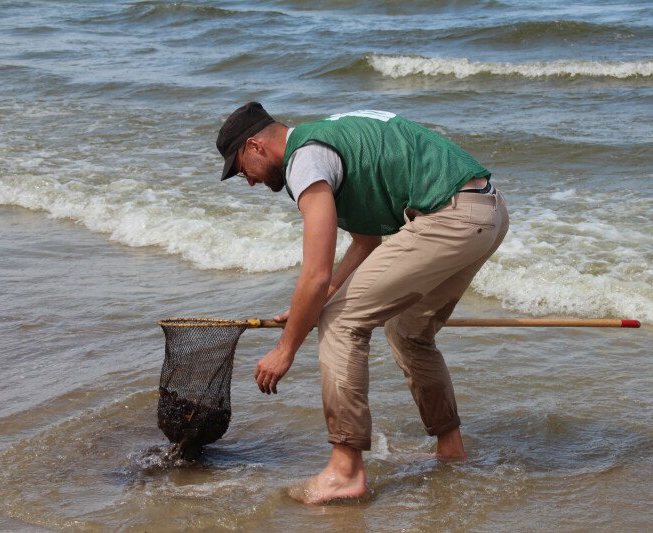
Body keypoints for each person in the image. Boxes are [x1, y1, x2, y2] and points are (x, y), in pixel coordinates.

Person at [215, 102, 509, 504]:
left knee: (340, 324)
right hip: (486, 212)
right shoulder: (328, 141)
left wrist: (285, 350)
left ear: (256, 146)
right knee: (409, 332)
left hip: (450, 218)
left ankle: (345, 469)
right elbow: (366, 242)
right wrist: (320, 301)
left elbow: (315, 274)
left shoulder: (304, 161)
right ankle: (451, 449)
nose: (246, 180)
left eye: (239, 168)